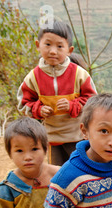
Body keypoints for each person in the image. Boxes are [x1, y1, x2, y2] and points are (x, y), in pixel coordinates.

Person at [17, 19, 97, 166]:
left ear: (69, 50)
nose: (53, 51)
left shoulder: (79, 74)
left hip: (78, 136)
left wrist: (73, 106)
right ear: (37, 45)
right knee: (57, 172)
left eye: (60, 46)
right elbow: (24, 104)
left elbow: (93, 101)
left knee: (81, 170)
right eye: (47, 44)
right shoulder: (33, 77)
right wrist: (39, 109)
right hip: (52, 138)